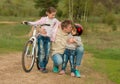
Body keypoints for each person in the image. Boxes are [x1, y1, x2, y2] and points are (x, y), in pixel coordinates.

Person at [23, 7, 60, 73]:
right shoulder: (44, 19)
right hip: (41, 37)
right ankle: (42, 67)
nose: (53, 16)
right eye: (52, 14)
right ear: (47, 13)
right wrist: (28, 22)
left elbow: (60, 24)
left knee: (47, 53)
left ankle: (44, 66)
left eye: (54, 15)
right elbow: (36, 23)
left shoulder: (55, 21)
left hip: (48, 38)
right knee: (42, 52)